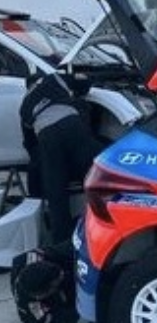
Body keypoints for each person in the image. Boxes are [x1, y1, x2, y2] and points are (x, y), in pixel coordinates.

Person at [19, 69, 102, 245]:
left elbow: (30, 144)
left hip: (46, 137)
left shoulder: (24, 107)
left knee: (56, 192)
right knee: (97, 174)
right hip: (71, 125)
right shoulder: (53, 78)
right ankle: (101, 224)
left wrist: (43, 166)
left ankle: (61, 242)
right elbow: (84, 82)